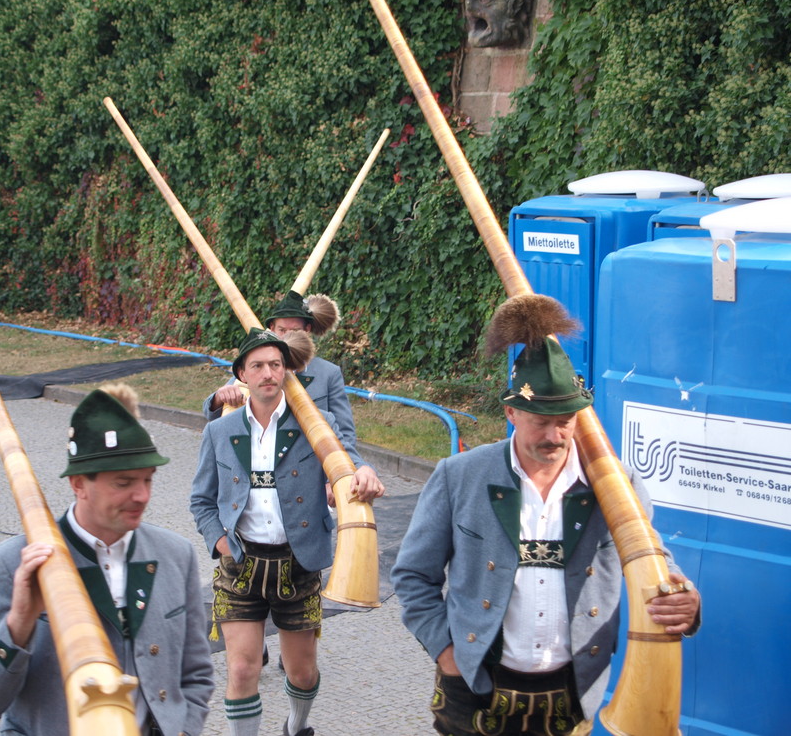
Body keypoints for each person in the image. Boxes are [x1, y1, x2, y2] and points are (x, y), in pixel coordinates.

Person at [391, 295, 701, 736]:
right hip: (474, 692)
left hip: (572, 696)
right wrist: (445, 650)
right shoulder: (459, 475)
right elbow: (412, 575)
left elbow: (654, 558)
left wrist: (683, 595)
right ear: (511, 411)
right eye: (540, 419)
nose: (554, 435)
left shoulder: (616, 484)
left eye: (566, 420)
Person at [0, 384, 214, 736]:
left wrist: (184, 728)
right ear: (79, 484)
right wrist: (19, 621)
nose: (141, 495)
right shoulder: (9, 565)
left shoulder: (176, 553)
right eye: (123, 482)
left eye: (147, 480)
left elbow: (196, 672)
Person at [190, 327, 384, 736]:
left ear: (286, 372)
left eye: (275, 365)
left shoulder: (317, 424)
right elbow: (201, 501)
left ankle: (296, 727)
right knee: (242, 668)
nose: (267, 374)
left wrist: (359, 475)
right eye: (257, 366)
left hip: (298, 563)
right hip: (240, 565)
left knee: (302, 672)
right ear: (241, 374)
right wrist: (220, 540)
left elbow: (348, 462)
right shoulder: (220, 432)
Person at [203, 291, 358, 450]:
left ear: (308, 330)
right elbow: (210, 413)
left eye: (295, 330)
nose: (287, 336)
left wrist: (341, 468)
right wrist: (219, 398)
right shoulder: (256, 366)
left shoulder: (328, 374)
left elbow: (345, 433)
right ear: (272, 329)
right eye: (282, 330)